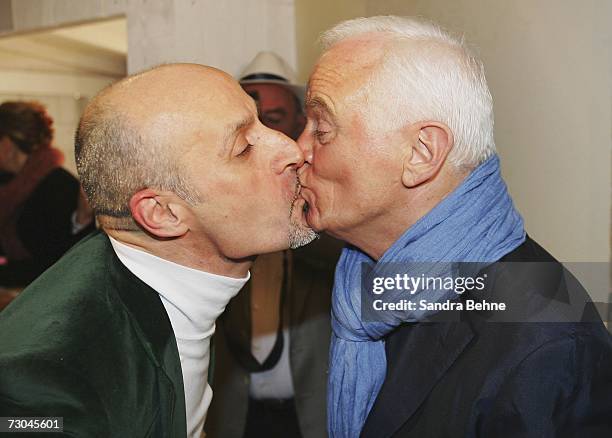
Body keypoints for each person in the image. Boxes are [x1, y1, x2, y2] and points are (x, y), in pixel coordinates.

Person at [296, 16, 612, 437]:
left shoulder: (544, 344)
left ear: (421, 153)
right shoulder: (364, 282)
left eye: (321, 129)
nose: (297, 150)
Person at [0, 63, 317, 437]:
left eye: (263, 123)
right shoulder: (49, 383)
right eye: (244, 148)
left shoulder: (172, 285)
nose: (292, 149)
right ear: (163, 214)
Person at [206, 51, 339, 438]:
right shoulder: (215, 199)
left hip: (313, 415)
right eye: (248, 124)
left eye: (274, 119)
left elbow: (357, 264)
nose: (262, 134)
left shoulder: (327, 195)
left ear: (300, 122)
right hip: (234, 415)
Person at [0, 101, 94, 290]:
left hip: (43, 298)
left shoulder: (59, 185)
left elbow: (60, 260)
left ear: (8, 144)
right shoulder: (6, 184)